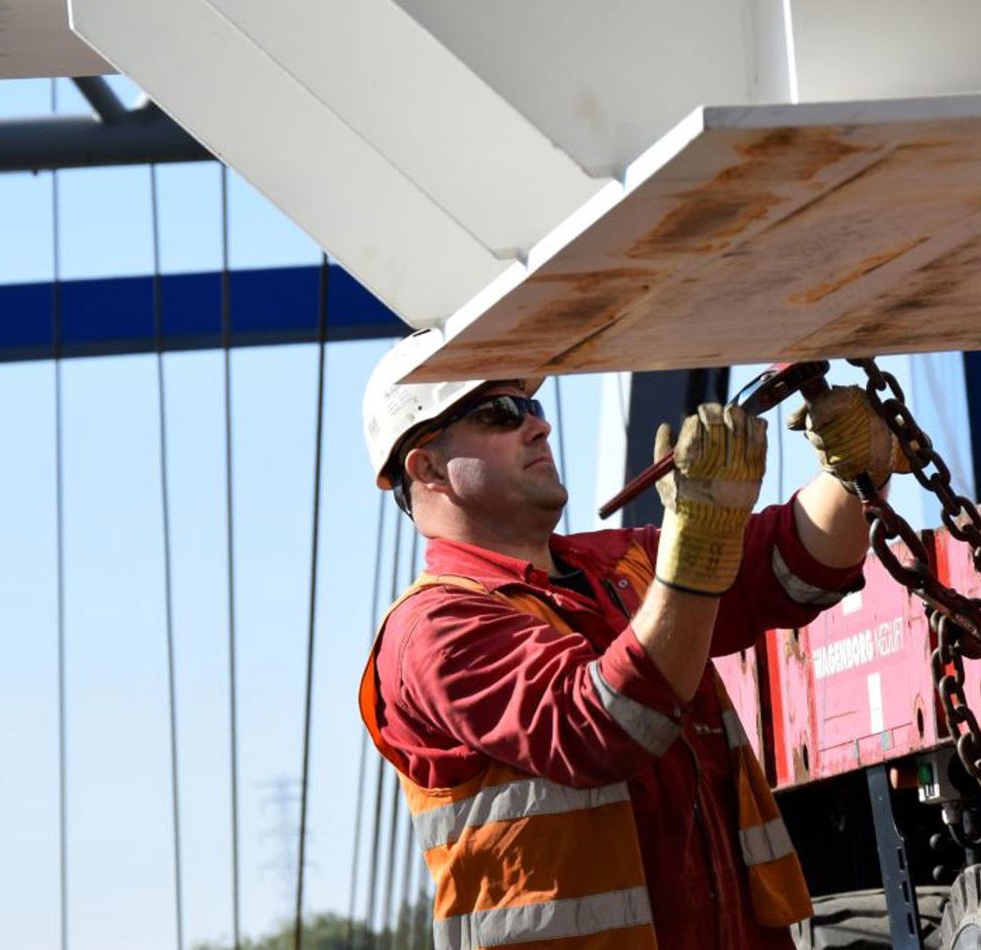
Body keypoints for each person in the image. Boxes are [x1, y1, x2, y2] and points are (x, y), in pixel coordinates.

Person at [357, 329, 907, 949]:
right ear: (425, 466)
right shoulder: (434, 629)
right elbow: (599, 727)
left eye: (532, 409)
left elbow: (790, 568)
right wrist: (697, 545)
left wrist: (855, 473)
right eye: (500, 413)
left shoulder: (626, 566)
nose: (538, 428)